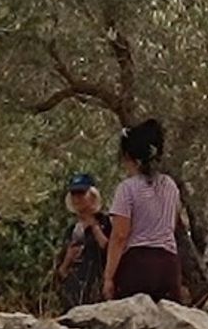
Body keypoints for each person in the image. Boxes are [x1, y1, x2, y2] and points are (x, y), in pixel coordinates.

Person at [103, 120, 184, 302]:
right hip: (169, 265)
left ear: (128, 156)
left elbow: (120, 235)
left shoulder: (127, 189)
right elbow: (172, 224)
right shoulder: (171, 186)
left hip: (138, 265)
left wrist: (109, 277)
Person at [55, 173, 113, 308]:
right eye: (73, 194)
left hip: (97, 292)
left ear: (92, 196)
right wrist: (68, 259)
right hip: (73, 295)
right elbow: (60, 272)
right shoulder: (71, 230)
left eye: (81, 193)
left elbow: (110, 249)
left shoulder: (106, 222)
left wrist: (94, 226)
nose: (77, 198)